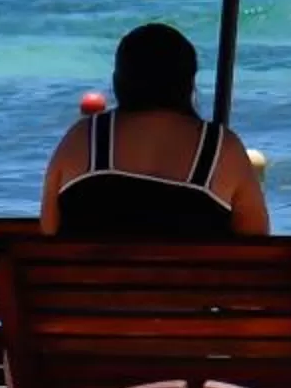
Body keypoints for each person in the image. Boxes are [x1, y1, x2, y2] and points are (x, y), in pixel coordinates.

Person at [40, 22, 270, 237]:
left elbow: (49, 229)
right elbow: (258, 245)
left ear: (119, 80)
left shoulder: (83, 137)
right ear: (188, 83)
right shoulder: (221, 149)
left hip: (86, 280)